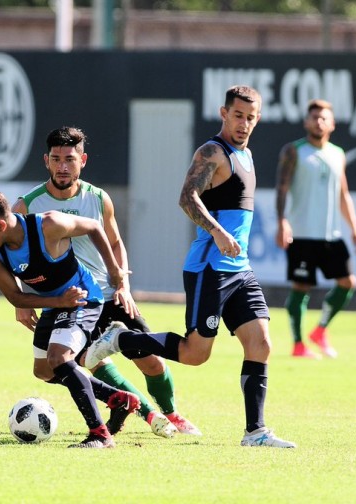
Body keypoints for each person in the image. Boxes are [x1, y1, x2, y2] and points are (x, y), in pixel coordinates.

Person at [85, 85, 296, 448]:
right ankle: (121, 338)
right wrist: (216, 231)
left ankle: (255, 432)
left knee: (261, 343)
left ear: (258, 118)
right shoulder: (212, 152)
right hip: (209, 268)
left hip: (240, 269)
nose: (244, 123)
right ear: (224, 113)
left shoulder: (247, 155)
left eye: (251, 117)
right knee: (196, 354)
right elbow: (186, 197)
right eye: (238, 115)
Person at [13, 126, 201, 439]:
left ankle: (171, 414)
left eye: (69, 159)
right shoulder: (27, 205)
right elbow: (8, 250)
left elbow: (114, 242)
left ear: (83, 160)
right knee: (81, 363)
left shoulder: (99, 199)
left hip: (110, 293)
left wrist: (123, 285)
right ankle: (150, 415)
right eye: (56, 159)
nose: (62, 166)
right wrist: (19, 300)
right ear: (46, 160)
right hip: (69, 301)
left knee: (151, 363)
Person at [0, 188, 142, 449]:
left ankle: (99, 435)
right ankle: (117, 399)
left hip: (83, 298)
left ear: (1, 225)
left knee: (59, 358)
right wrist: (57, 302)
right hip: (56, 304)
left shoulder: (49, 225)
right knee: (44, 371)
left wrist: (114, 271)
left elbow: (94, 227)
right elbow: (15, 297)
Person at [275, 99, 356, 359]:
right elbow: (282, 188)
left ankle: (320, 330)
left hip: (330, 235)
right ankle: (298, 345)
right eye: (314, 117)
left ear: (332, 124)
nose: (319, 122)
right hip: (302, 233)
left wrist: (355, 228)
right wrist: (282, 221)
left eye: (324, 118)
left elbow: (343, 194)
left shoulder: (338, 154)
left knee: (348, 282)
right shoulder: (294, 151)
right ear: (306, 122)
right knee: (301, 287)